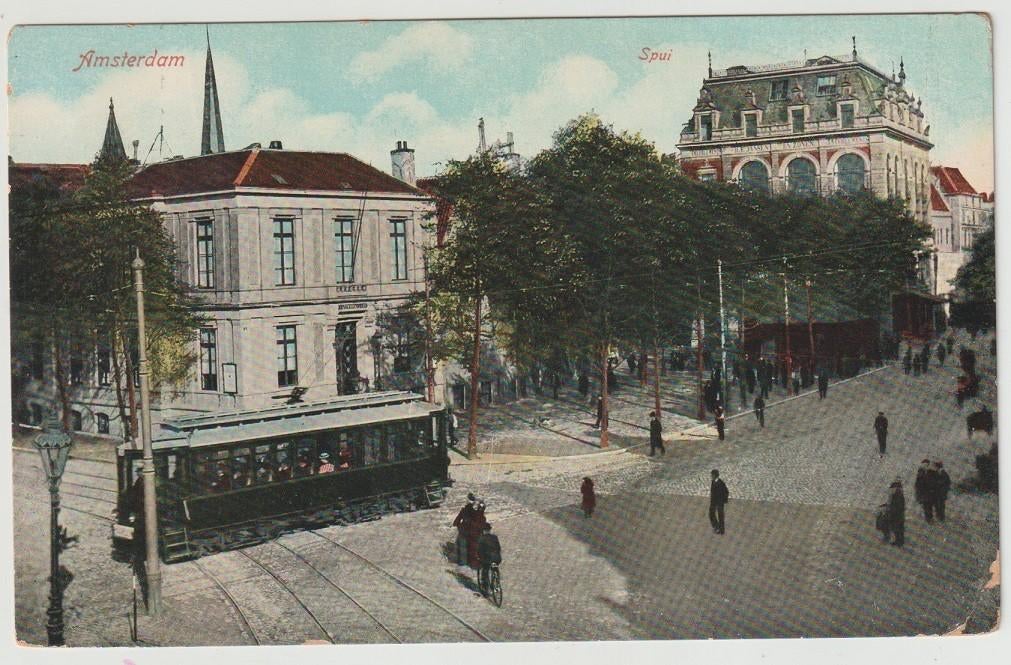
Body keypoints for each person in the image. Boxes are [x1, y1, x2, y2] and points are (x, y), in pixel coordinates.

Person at [452, 493, 478, 566]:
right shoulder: (475, 512)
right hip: (471, 532)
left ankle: (462, 562)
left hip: (463, 531)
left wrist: (459, 526)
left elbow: (456, 522)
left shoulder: (463, 510)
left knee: (462, 546)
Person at [476, 523, 502, 593]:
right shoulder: (494, 537)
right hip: (497, 558)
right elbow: (498, 548)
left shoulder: (482, 538)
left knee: (485, 570)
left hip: (487, 559)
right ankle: (496, 581)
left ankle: (485, 587)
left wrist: (479, 557)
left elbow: (479, 550)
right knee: (495, 567)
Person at [466, 501, 489, 570]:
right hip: (475, 534)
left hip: (474, 534)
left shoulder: (479, 516)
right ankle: (474, 562)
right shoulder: (482, 517)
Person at [886, 479, 906, 547]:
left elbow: (897, 506)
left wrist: (891, 511)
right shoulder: (897, 494)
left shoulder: (896, 495)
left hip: (896, 514)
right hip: (897, 514)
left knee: (897, 528)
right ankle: (899, 541)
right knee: (897, 528)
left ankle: (899, 542)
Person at [709, 469, 729, 535]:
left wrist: (724, 501)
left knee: (720, 516)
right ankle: (716, 526)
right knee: (711, 514)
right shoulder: (713, 481)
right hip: (713, 502)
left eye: (712, 475)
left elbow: (726, 492)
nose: (711, 476)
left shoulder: (721, 483)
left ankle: (721, 530)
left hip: (719, 503)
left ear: (715, 475)